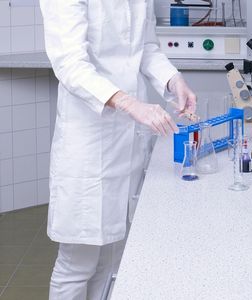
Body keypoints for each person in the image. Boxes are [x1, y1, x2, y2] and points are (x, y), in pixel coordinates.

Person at [39, 1, 197, 299]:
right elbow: (70, 64)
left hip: (127, 143)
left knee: (112, 262)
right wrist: (130, 104)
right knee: (77, 265)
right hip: (88, 145)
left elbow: (146, 48)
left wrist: (174, 80)